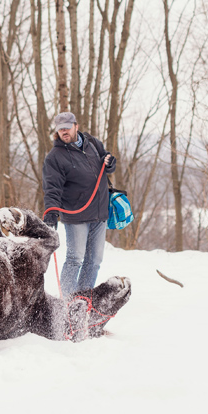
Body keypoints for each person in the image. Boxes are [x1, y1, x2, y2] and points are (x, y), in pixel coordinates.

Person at [42, 111, 116, 296]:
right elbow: (52, 187)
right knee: (75, 259)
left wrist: (110, 163)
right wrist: (51, 211)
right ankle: (66, 303)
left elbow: (106, 161)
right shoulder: (55, 157)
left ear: (76, 126)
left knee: (95, 261)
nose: (64, 132)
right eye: (60, 130)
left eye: (67, 128)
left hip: (99, 213)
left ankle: (83, 299)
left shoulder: (92, 143)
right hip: (76, 215)